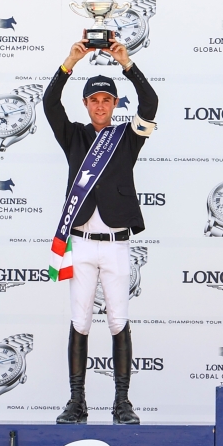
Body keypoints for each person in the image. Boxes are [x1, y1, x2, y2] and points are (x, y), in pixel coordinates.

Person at [44, 39, 157, 425]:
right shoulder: (73, 136)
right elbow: (48, 104)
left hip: (116, 246)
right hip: (81, 244)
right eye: (94, 100)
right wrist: (69, 62)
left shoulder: (128, 138)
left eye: (107, 99)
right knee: (80, 321)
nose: (100, 105)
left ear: (114, 104)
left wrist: (128, 65)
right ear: (86, 104)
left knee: (118, 320)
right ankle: (77, 402)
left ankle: (121, 402)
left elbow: (151, 104)